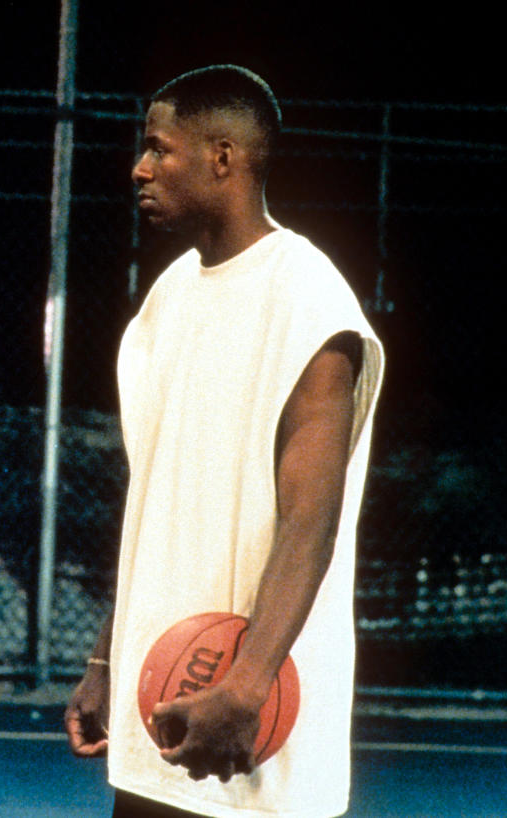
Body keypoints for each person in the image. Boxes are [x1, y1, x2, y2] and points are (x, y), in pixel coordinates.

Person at [64, 65, 384, 818]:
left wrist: (248, 682)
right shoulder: (167, 300)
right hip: (159, 709)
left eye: (158, 149)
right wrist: (108, 655)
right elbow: (152, 505)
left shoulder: (307, 297)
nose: (139, 168)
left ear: (223, 157)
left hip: (252, 717)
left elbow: (313, 520)